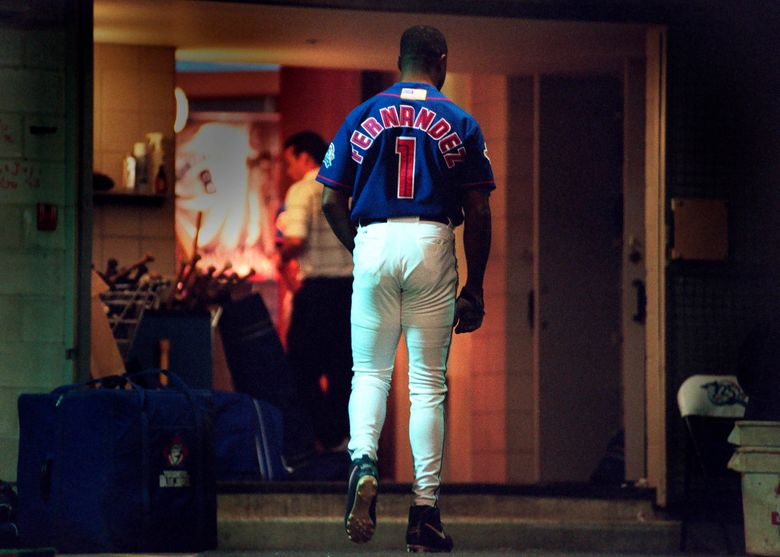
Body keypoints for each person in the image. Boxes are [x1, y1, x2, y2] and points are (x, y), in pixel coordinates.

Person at [318, 25, 493, 553]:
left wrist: (363, 253)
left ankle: (363, 461)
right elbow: (479, 209)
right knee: (426, 385)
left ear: (399, 62)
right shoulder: (460, 120)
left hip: (372, 237)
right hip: (431, 239)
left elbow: (329, 200)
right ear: (440, 62)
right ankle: (424, 513)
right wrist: (476, 287)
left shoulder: (362, 115)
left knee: (368, 372)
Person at [277, 131, 354, 453]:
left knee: (297, 370)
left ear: (303, 156)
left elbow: (296, 239)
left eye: (288, 162)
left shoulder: (302, 190)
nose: (288, 170)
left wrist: (279, 258)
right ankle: (343, 440)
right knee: (342, 371)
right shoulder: (346, 186)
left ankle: (327, 436)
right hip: (350, 292)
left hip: (318, 291)